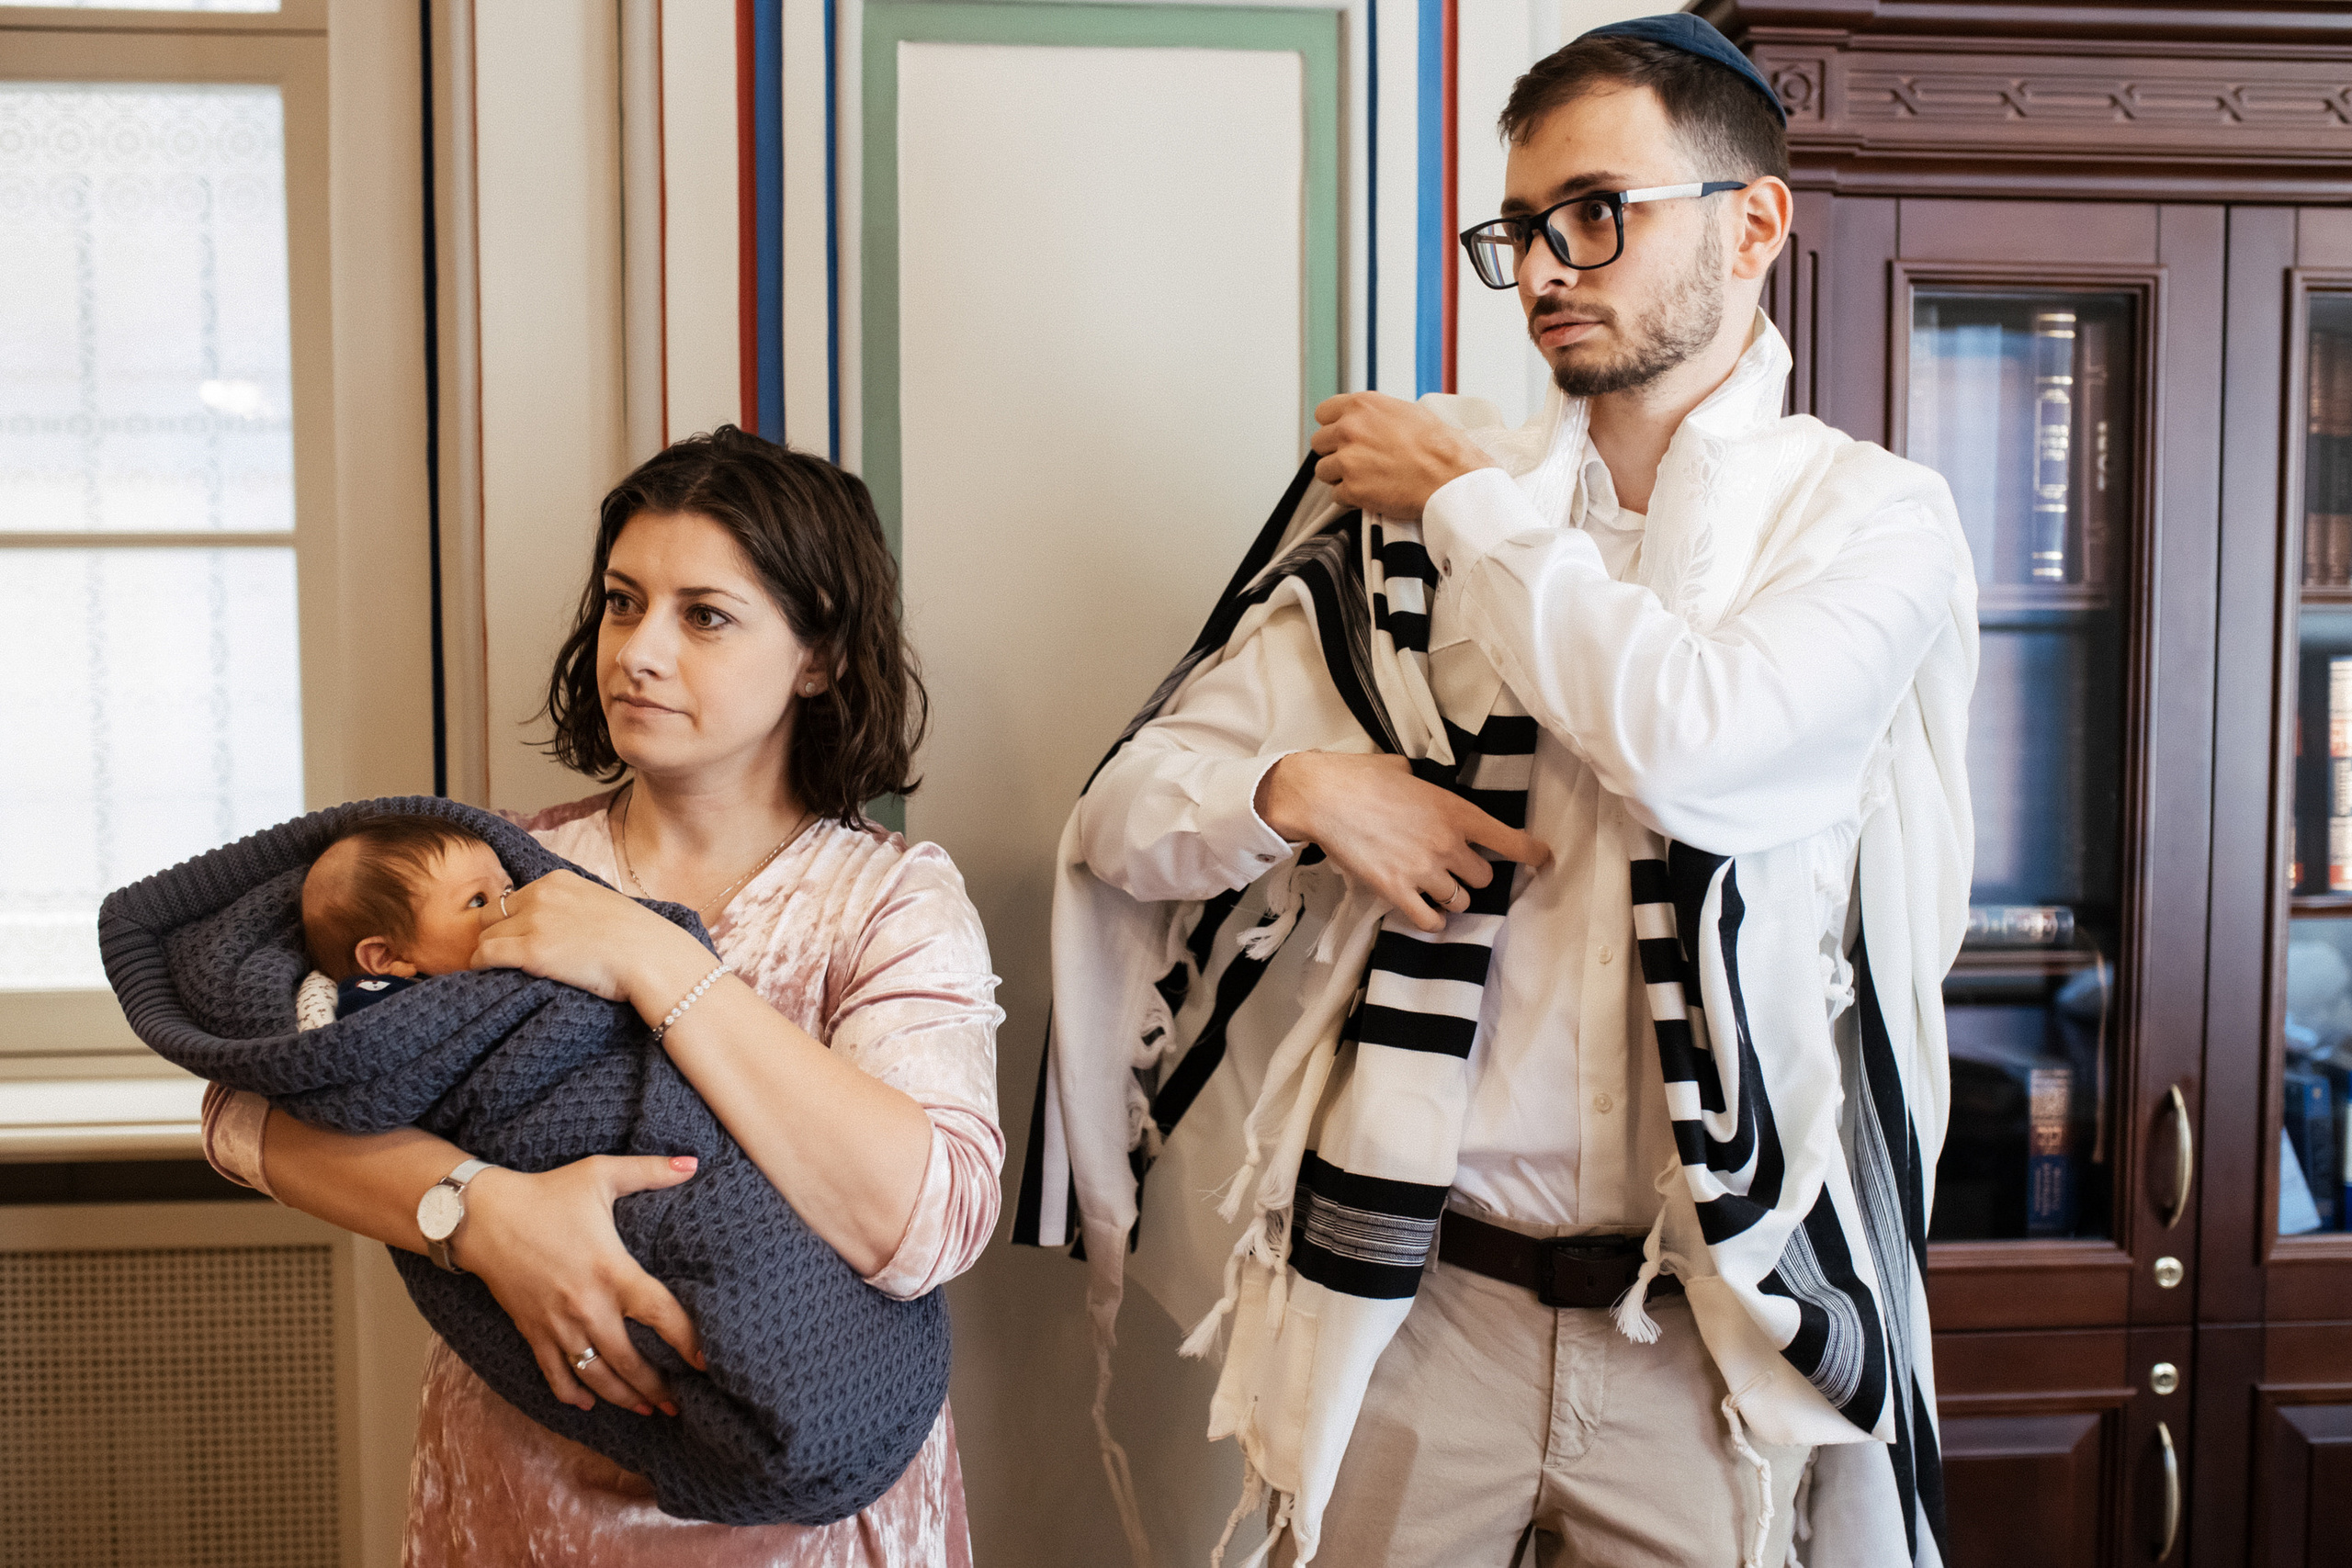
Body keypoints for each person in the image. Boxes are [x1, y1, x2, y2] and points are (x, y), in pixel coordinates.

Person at [1029, 14, 1972, 1568]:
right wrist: (1310, 786)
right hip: (1420, 1301)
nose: (1542, 268)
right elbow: (1121, 818)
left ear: (1754, 223)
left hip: (1707, 1330)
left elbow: (1700, 743)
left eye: (1595, 214)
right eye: (1521, 229)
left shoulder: (1867, 521)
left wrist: (1472, 504)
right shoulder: (1420, 522)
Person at [200, 426, 1003, 1566]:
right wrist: (479, 1215)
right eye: (624, 604)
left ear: (818, 653)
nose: (639, 651)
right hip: (522, 1501)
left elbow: (930, 1224)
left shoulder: (889, 900)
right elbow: (244, 1115)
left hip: (805, 1517)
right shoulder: (490, 869)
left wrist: (657, 960)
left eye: (704, 615)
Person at [298, 815, 513, 1014]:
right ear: (388, 956)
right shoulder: (377, 1004)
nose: (511, 903)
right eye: (477, 901)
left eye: (509, 888)